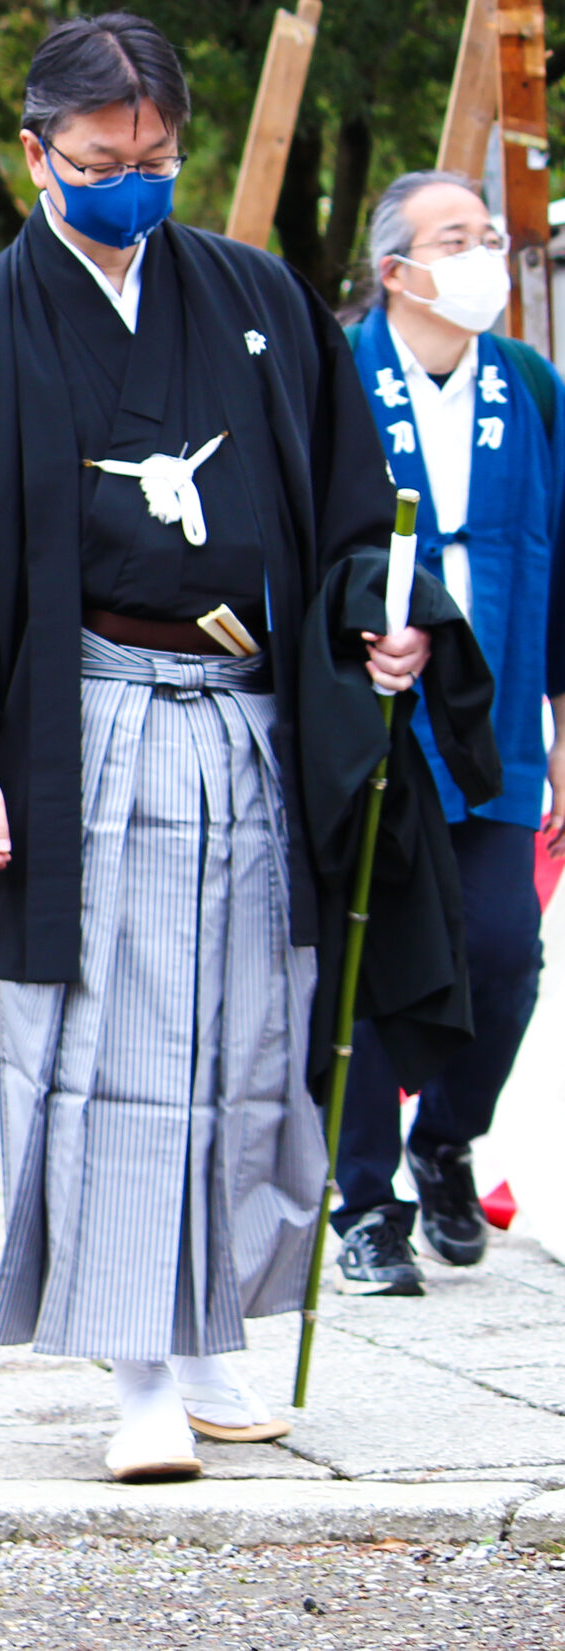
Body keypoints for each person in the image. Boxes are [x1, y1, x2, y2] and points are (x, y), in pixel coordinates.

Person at [0, 14, 437, 1484]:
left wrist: (377, 627)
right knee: (112, 1044)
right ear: (39, 154)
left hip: (252, 720)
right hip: (86, 722)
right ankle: (141, 1368)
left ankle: (218, 1331)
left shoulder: (255, 298)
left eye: (158, 160)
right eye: (103, 161)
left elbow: (351, 512)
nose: (134, 184)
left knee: (251, 1029)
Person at [333, 171, 565, 1294]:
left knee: (499, 951)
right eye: (455, 238)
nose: (483, 255)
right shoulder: (338, 376)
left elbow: (561, 564)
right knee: (373, 950)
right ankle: (365, 1197)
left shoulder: (527, 385)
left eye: (488, 235)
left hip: (502, 719)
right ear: (394, 271)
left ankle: (446, 1138)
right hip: (375, 718)